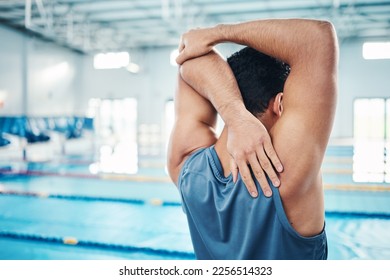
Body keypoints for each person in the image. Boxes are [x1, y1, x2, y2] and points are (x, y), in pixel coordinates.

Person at [167, 18, 338, 259]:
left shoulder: (186, 168)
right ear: (280, 104)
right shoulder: (288, 171)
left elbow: (188, 60)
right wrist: (218, 32)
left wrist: (233, 113)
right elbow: (317, 38)